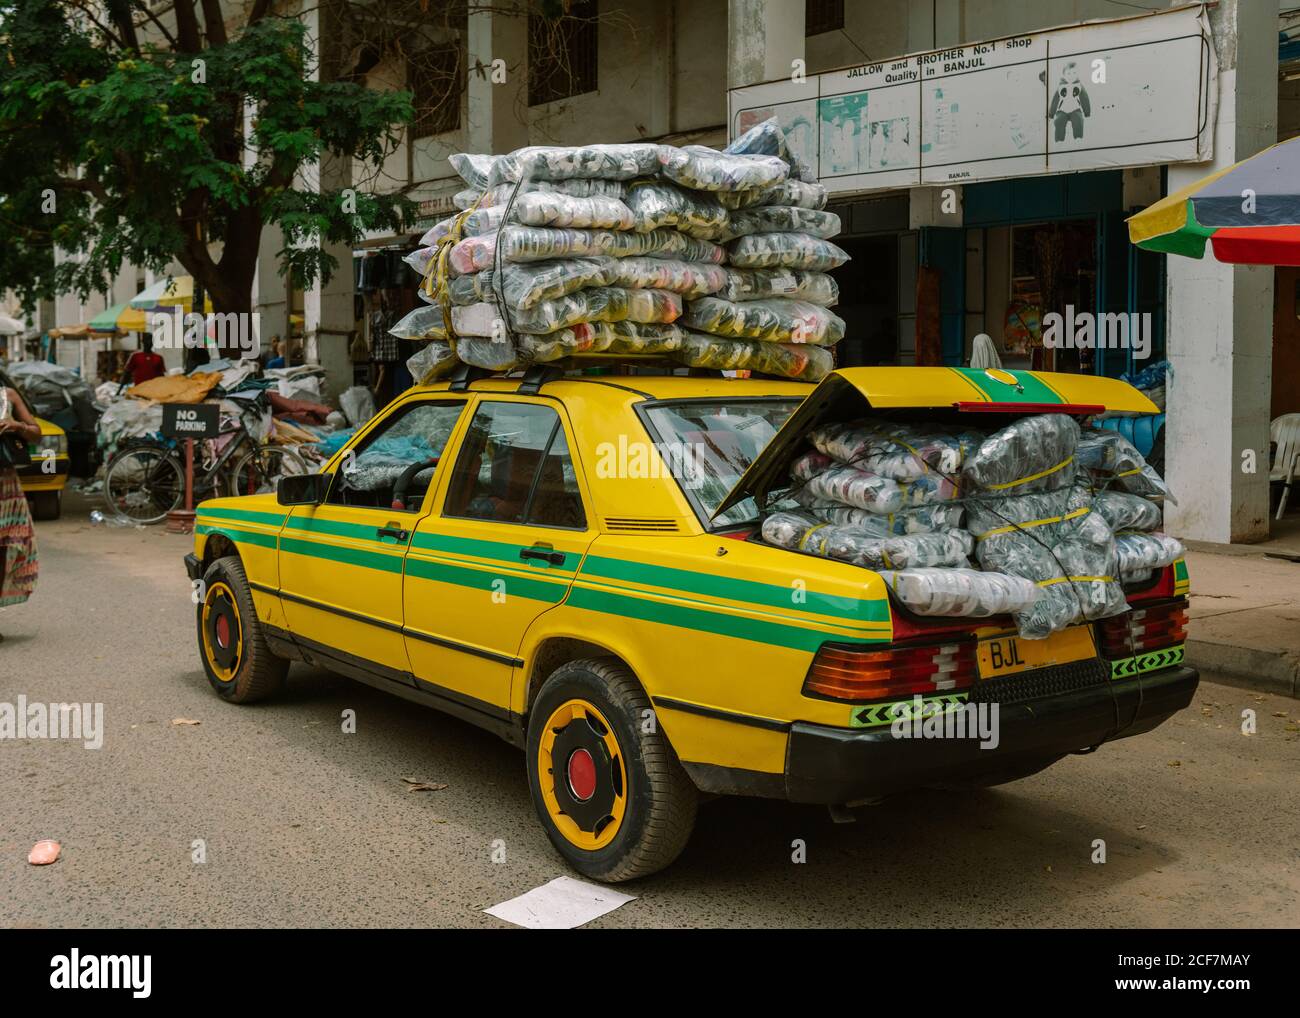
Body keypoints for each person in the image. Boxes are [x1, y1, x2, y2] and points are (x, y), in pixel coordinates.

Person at [0, 377, 40, 634]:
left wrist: (15, 425)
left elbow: (36, 433)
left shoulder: (8, 395)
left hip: (4, 486)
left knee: (2, 550)